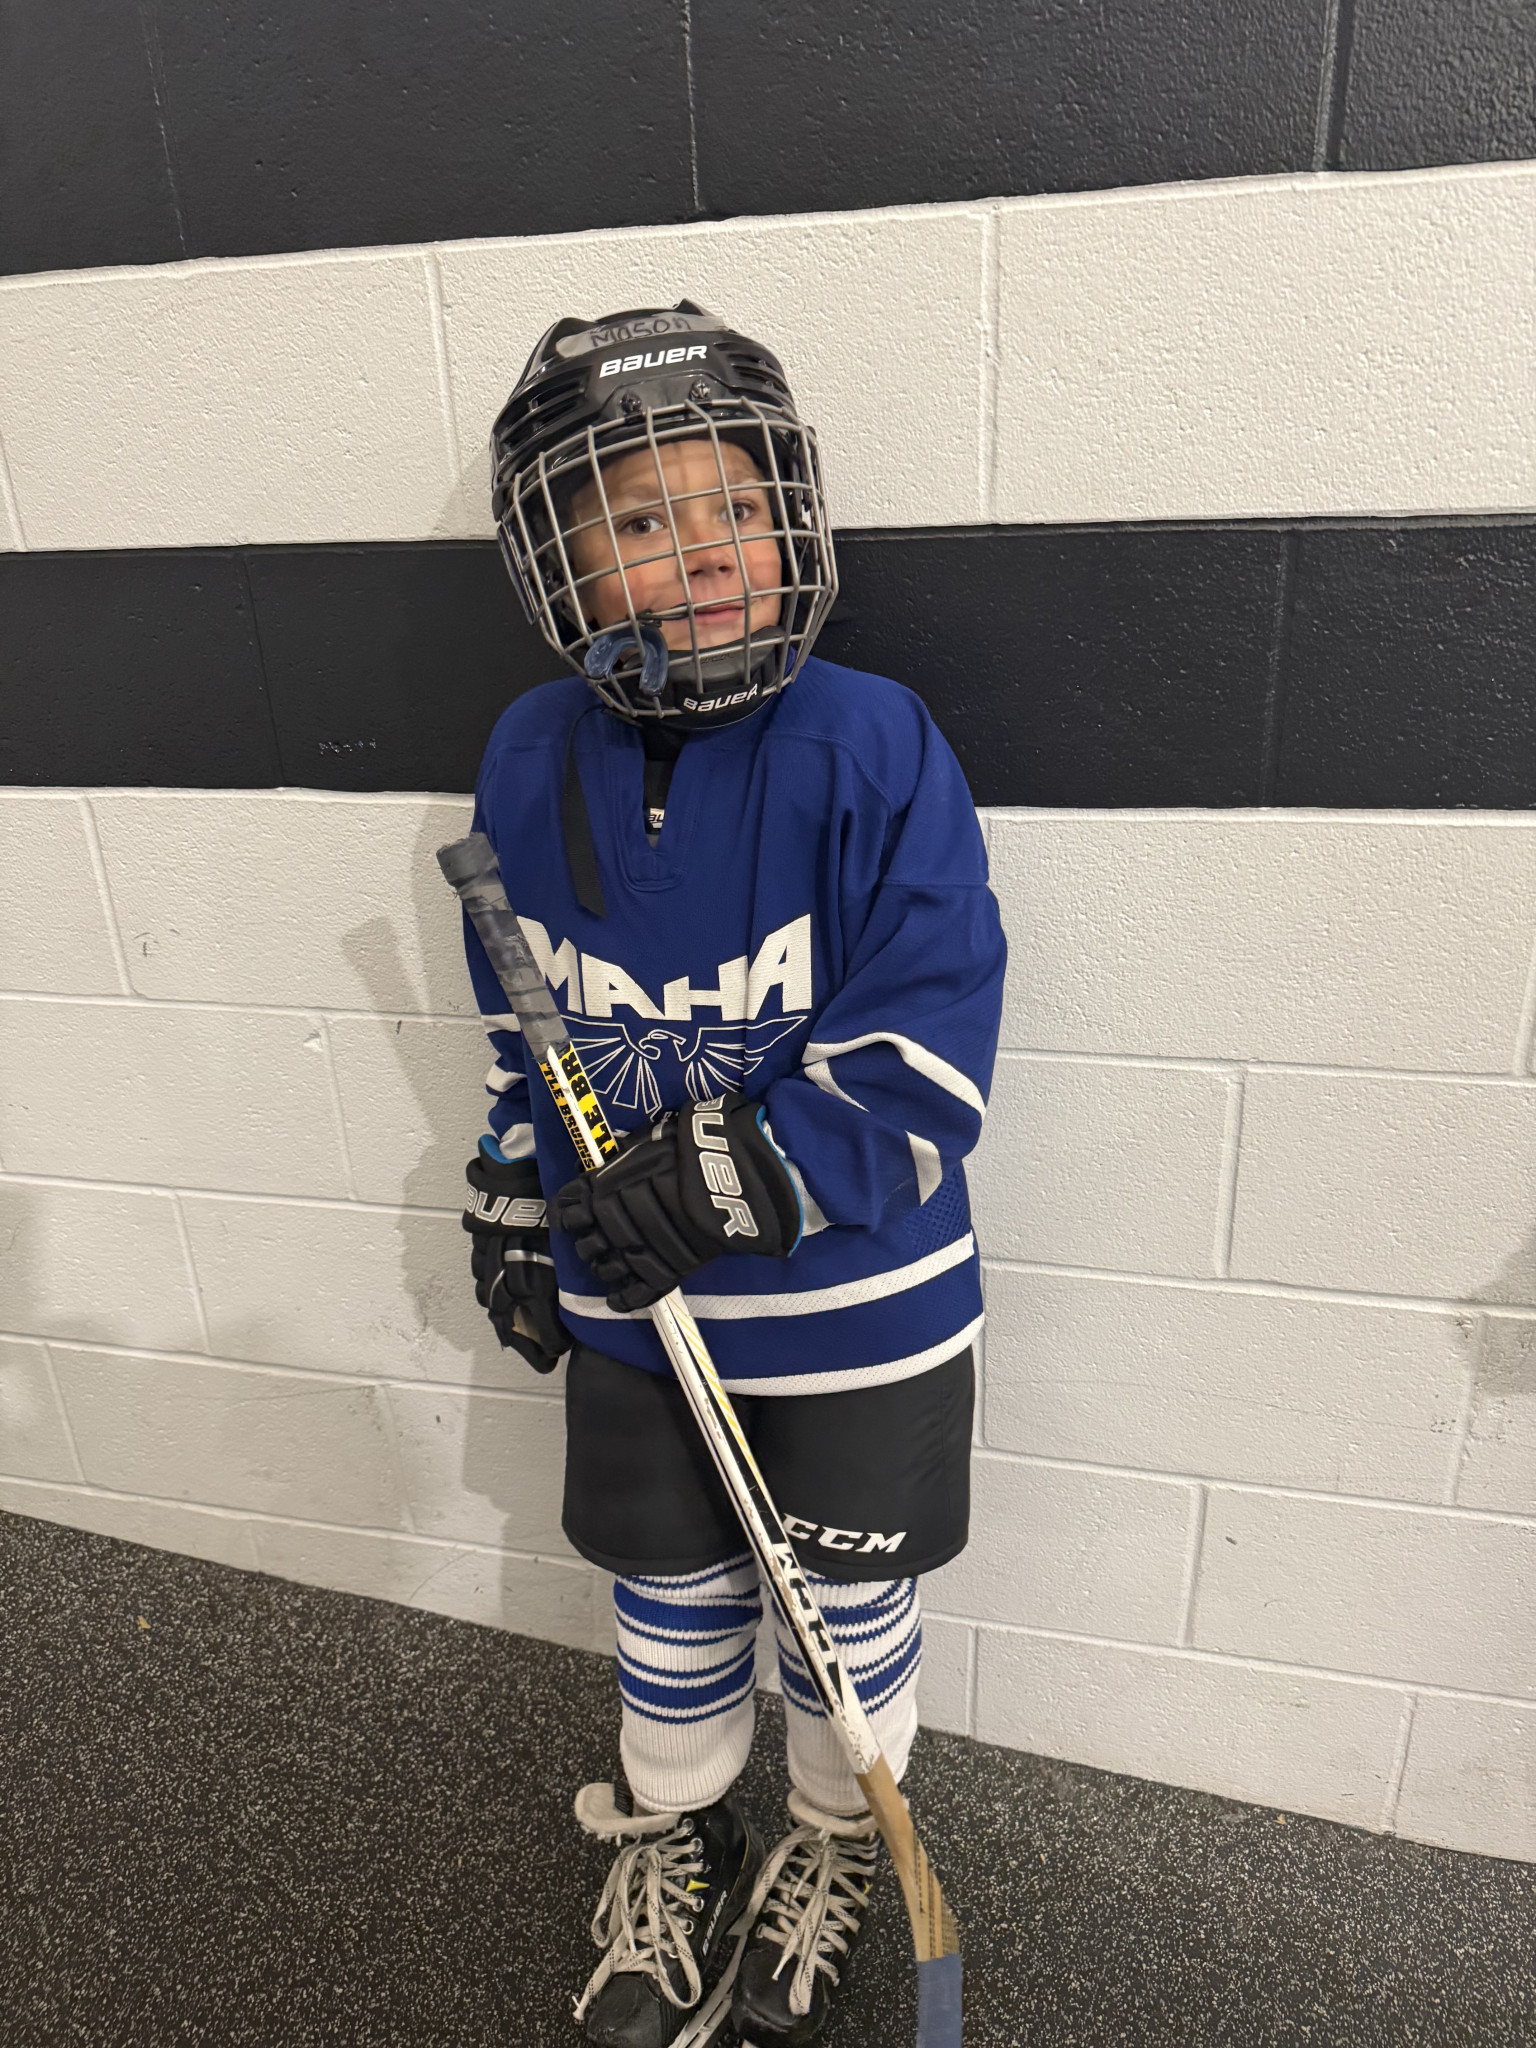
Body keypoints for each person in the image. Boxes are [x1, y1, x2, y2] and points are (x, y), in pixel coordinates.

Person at [459, 302, 1006, 2048]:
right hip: (641, 1316)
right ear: (562, 560)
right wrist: (515, 1191)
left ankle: (834, 1842)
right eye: (640, 519)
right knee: (670, 1595)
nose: (702, 551)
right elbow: (530, 1030)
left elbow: (927, 1063)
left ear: (793, 517)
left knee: (842, 1611)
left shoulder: (877, 742)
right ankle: (678, 1836)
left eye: (733, 507)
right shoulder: (526, 755)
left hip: (856, 1318)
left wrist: (715, 1180)